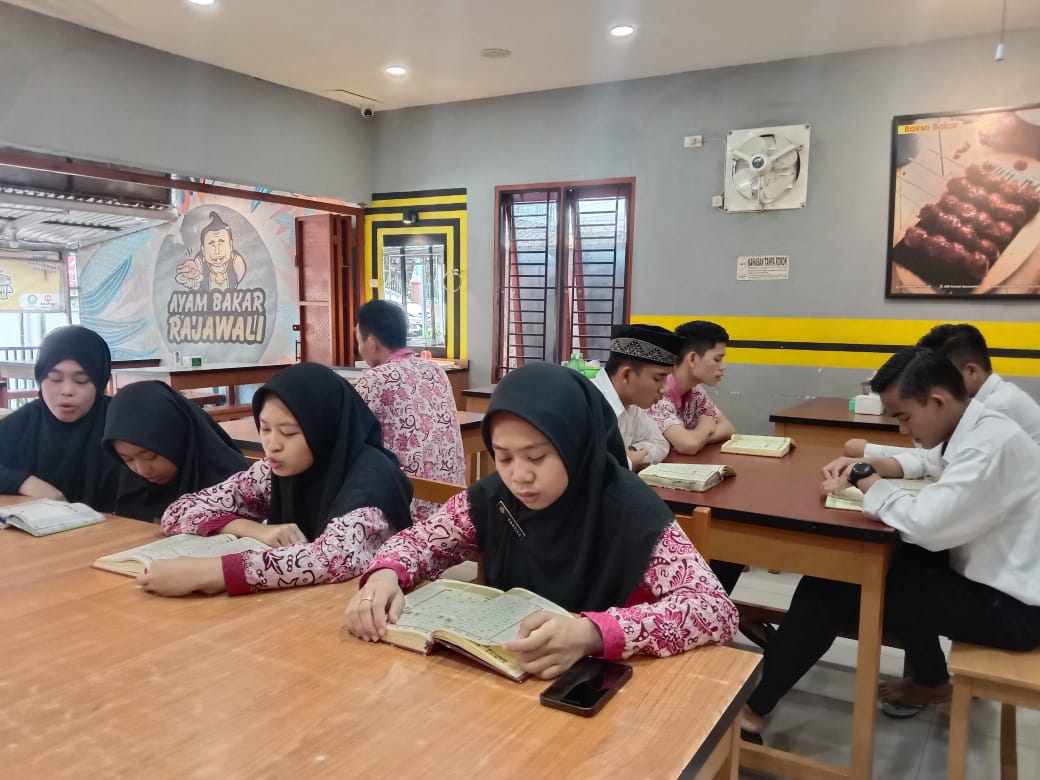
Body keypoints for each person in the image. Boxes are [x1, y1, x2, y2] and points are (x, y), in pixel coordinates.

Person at [345, 362, 738, 679]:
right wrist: (385, 574)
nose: (519, 476)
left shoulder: (628, 510)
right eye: (503, 457)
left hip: (605, 690)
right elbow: (420, 541)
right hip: (509, 681)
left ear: (576, 444)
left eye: (537, 457)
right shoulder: (495, 498)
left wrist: (592, 633)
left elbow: (714, 609)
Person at [741, 347, 1040, 740]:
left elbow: (925, 524)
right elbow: (928, 461)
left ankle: (753, 708)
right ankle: (931, 680)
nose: (902, 429)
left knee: (834, 586)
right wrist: (872, 465)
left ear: (937, 401)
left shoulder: (987, 446)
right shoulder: (977, 425)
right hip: (998, 584)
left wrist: (867, 479)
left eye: (904, 417)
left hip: (1012, 610)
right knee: (894, 563)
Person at [138, 363, 412, 597]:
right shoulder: (274, 471)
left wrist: (209, 572)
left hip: (354, 609)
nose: (272, 445)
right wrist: (249, 528)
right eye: (265, 429)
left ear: (325, 430)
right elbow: (178, 512)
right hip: (298, 605)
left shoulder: (371, 481)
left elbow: (331, 558)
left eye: (288, 433)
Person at [845, 323, 1040, 460]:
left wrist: (869, 450)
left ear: (972, 371)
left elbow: (938, 459)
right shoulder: (990, 399)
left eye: (942, 373)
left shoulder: (997, 407)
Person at [354, 299, 465, 519]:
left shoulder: (375, 379)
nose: (359, 349)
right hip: (451, 503)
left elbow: (349, 436)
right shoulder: (436, 370)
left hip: (407, 506)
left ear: (372, 343)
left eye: (359, 341)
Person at [0, 325, 120, 508]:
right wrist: (25, 482)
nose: (67, 391)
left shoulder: (120, 421)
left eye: (81, 380)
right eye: (55, 378)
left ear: (100, 381)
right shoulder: (25, 421)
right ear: (40, 378)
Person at [102, 381, 248, 522]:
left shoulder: (237, 486)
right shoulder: (135, 489)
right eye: (128, 459)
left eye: (151, 456)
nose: (142, 470)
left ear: (178, 436)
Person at [590, 324, 677, 471]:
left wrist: (633, 452)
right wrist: (626, 461)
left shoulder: (631, 405)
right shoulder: (587, 402)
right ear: (626, 374)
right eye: (658, 378)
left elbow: (660, 443)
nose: (665, 388)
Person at [647, 320, 735, 455]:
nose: (723, 366)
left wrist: (698, 438)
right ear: (692, 359)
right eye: (717, 359)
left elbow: (728, 429)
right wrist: (705, 426)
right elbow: (688, 445)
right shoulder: (658, 391)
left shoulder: (695, 391)